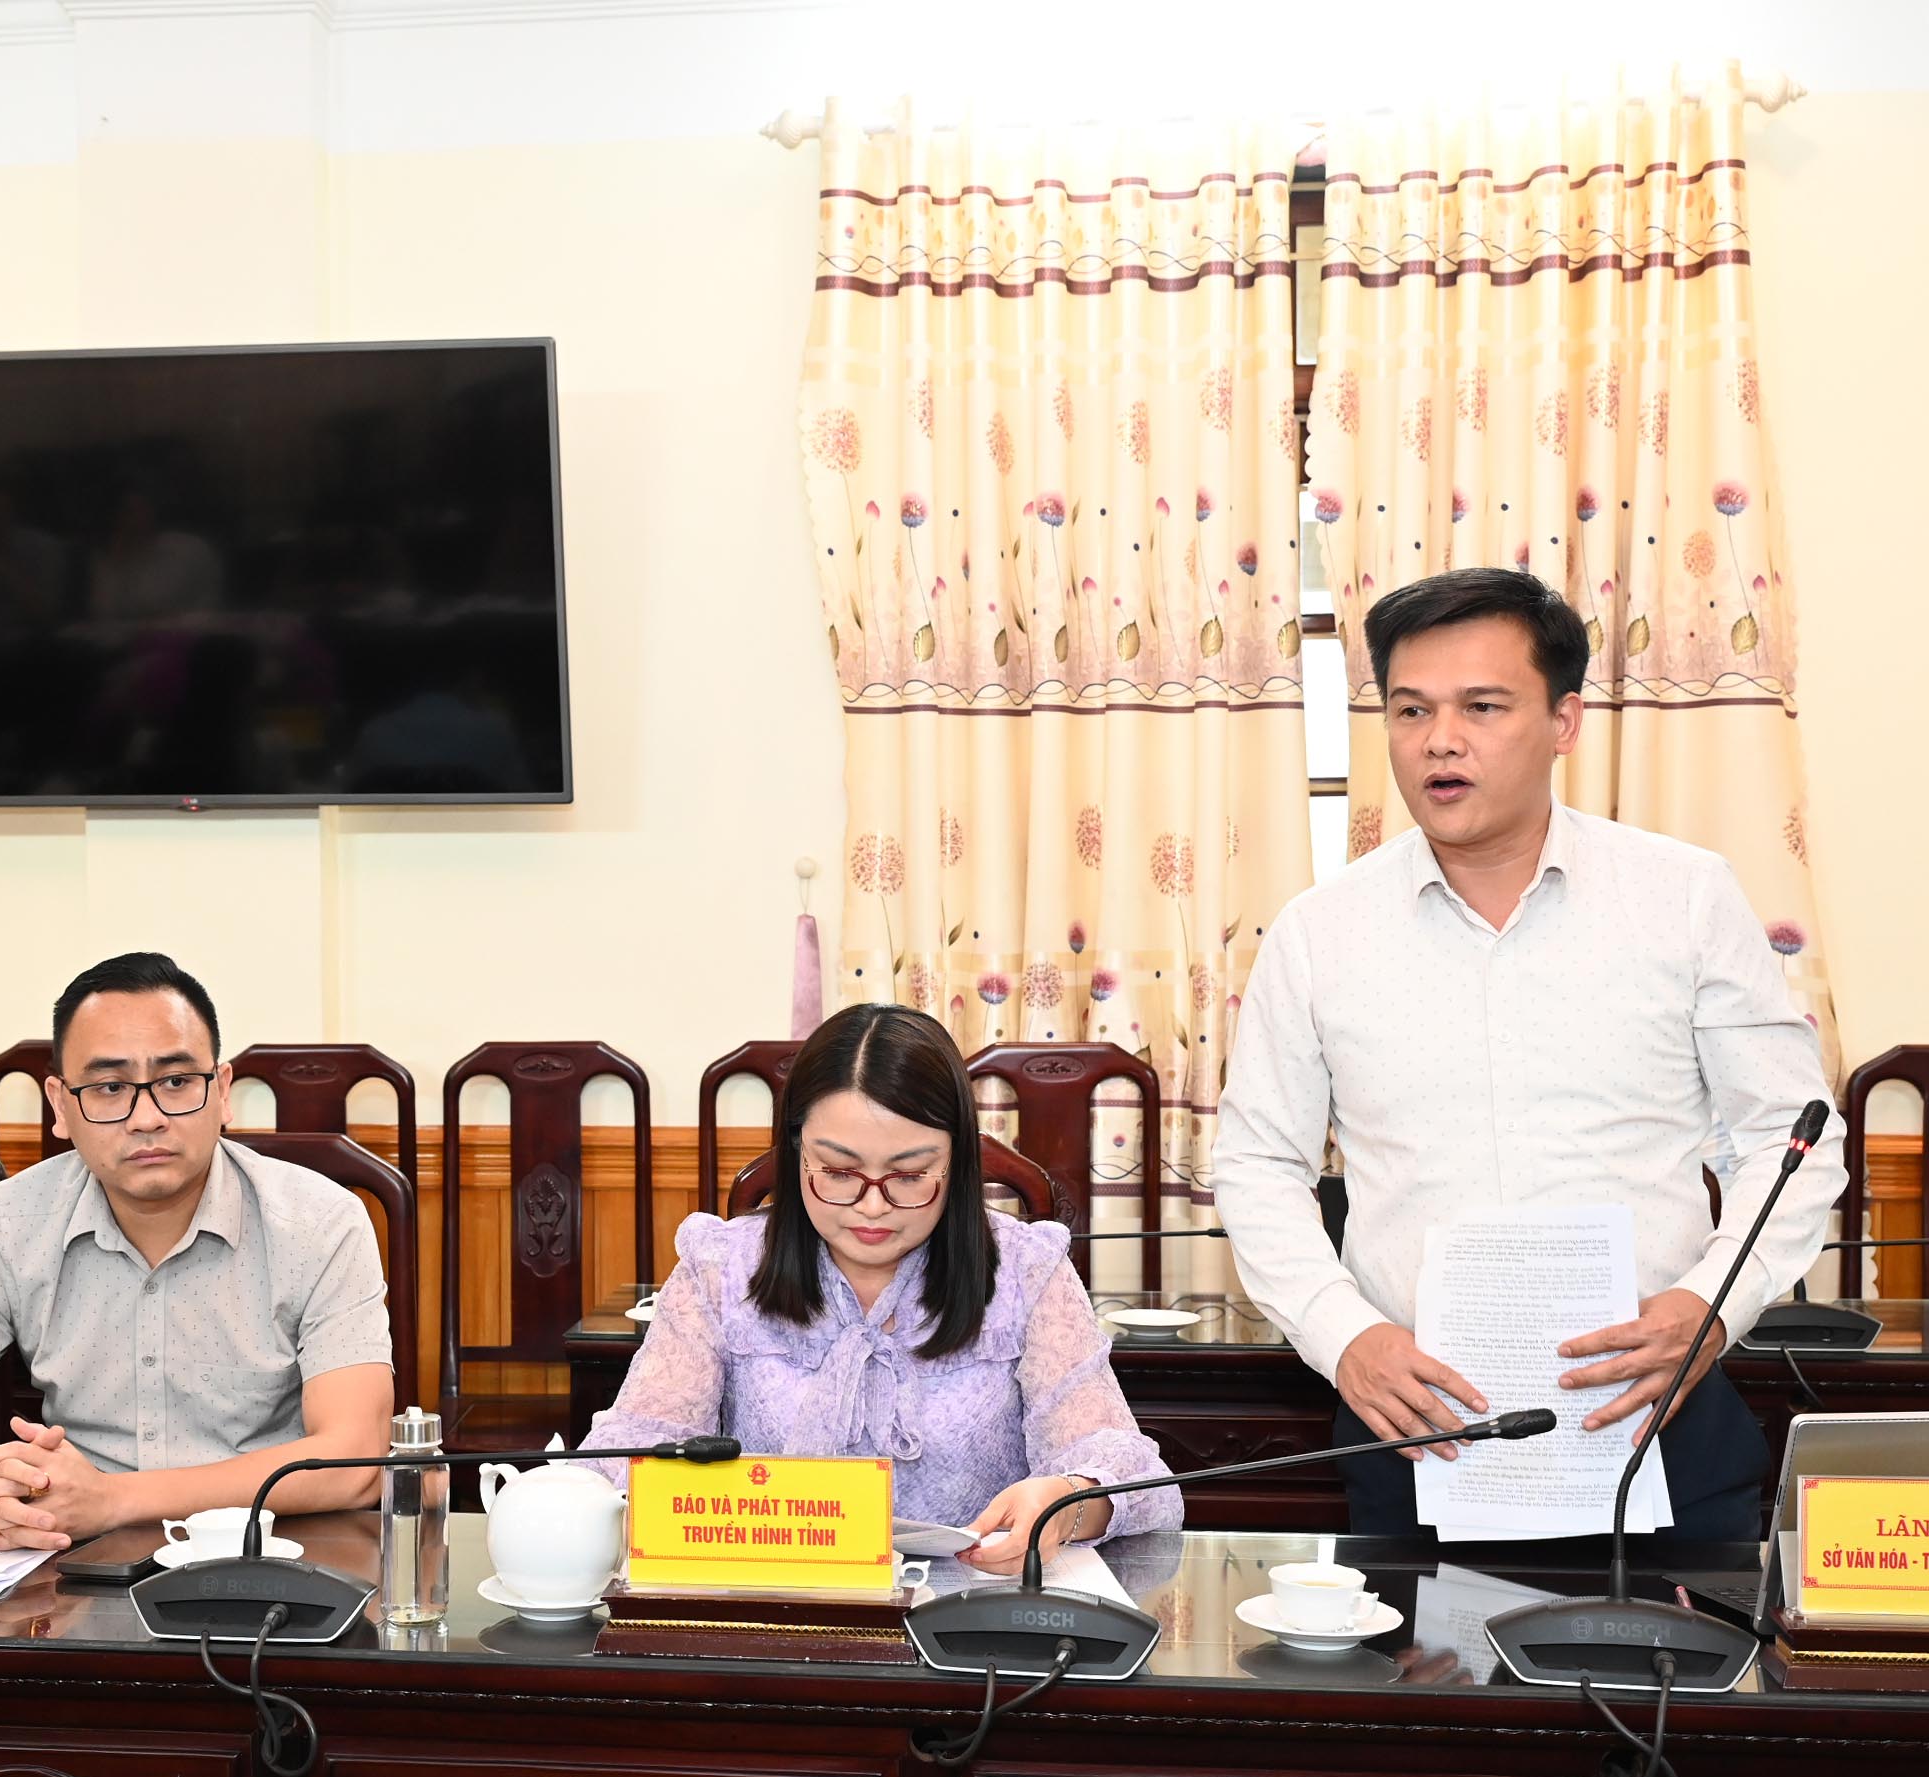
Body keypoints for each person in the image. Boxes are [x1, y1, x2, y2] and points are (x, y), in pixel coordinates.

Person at [1214, 565, 1845, 1539]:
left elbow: (1790, 1139)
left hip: (1653, 1414)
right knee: (1418, 1647)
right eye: (1410, 710)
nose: (1439, 739)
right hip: (1416, 1424)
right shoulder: (1319, 932)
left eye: (1481, 706)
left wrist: (1709, 1305)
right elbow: (1257, 1162)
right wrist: (1346, 1338)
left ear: (1563, 720)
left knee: (1672, 1646)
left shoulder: (1681, 897)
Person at [582, 1003, 1180, 1575]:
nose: (873, 1206)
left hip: (969, 1606)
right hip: (774, 1603)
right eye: (839, 1172)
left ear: (956, 1162)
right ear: (796, 1153)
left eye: (910, 1174)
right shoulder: (721, 1267)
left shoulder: (1025, 1270)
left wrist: (1067, 1503)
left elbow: (1131, 1473)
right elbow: (630, 1446)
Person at [0, 952, 393, 1551]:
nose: (146, 1118)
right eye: (110, 1088)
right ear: (61, 1106)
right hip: (70, 1554)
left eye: (176, 1082)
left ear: (222, 1092)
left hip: (272, 1547)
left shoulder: (319, 1224)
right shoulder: (9, 1224)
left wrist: (113, 1500)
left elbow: (354, 1460)